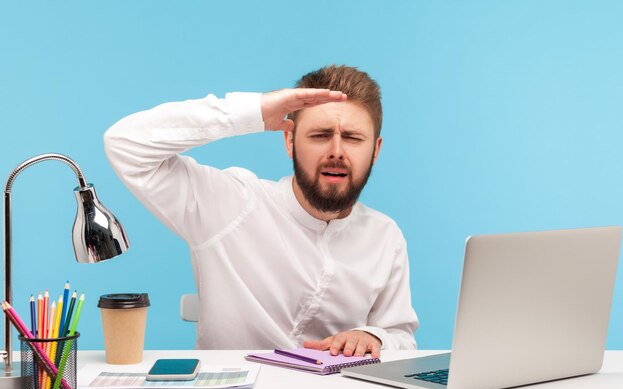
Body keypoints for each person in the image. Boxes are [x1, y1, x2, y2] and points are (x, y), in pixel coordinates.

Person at [104, 65, 418, 358]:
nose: (336, 151)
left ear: (375, 150)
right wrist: (251, 112)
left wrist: (375, 338)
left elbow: (401, 338)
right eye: (320, 135)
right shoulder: (230, 203)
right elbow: (124, 144)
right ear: (289, 140)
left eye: (352, 138)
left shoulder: (385, 236)